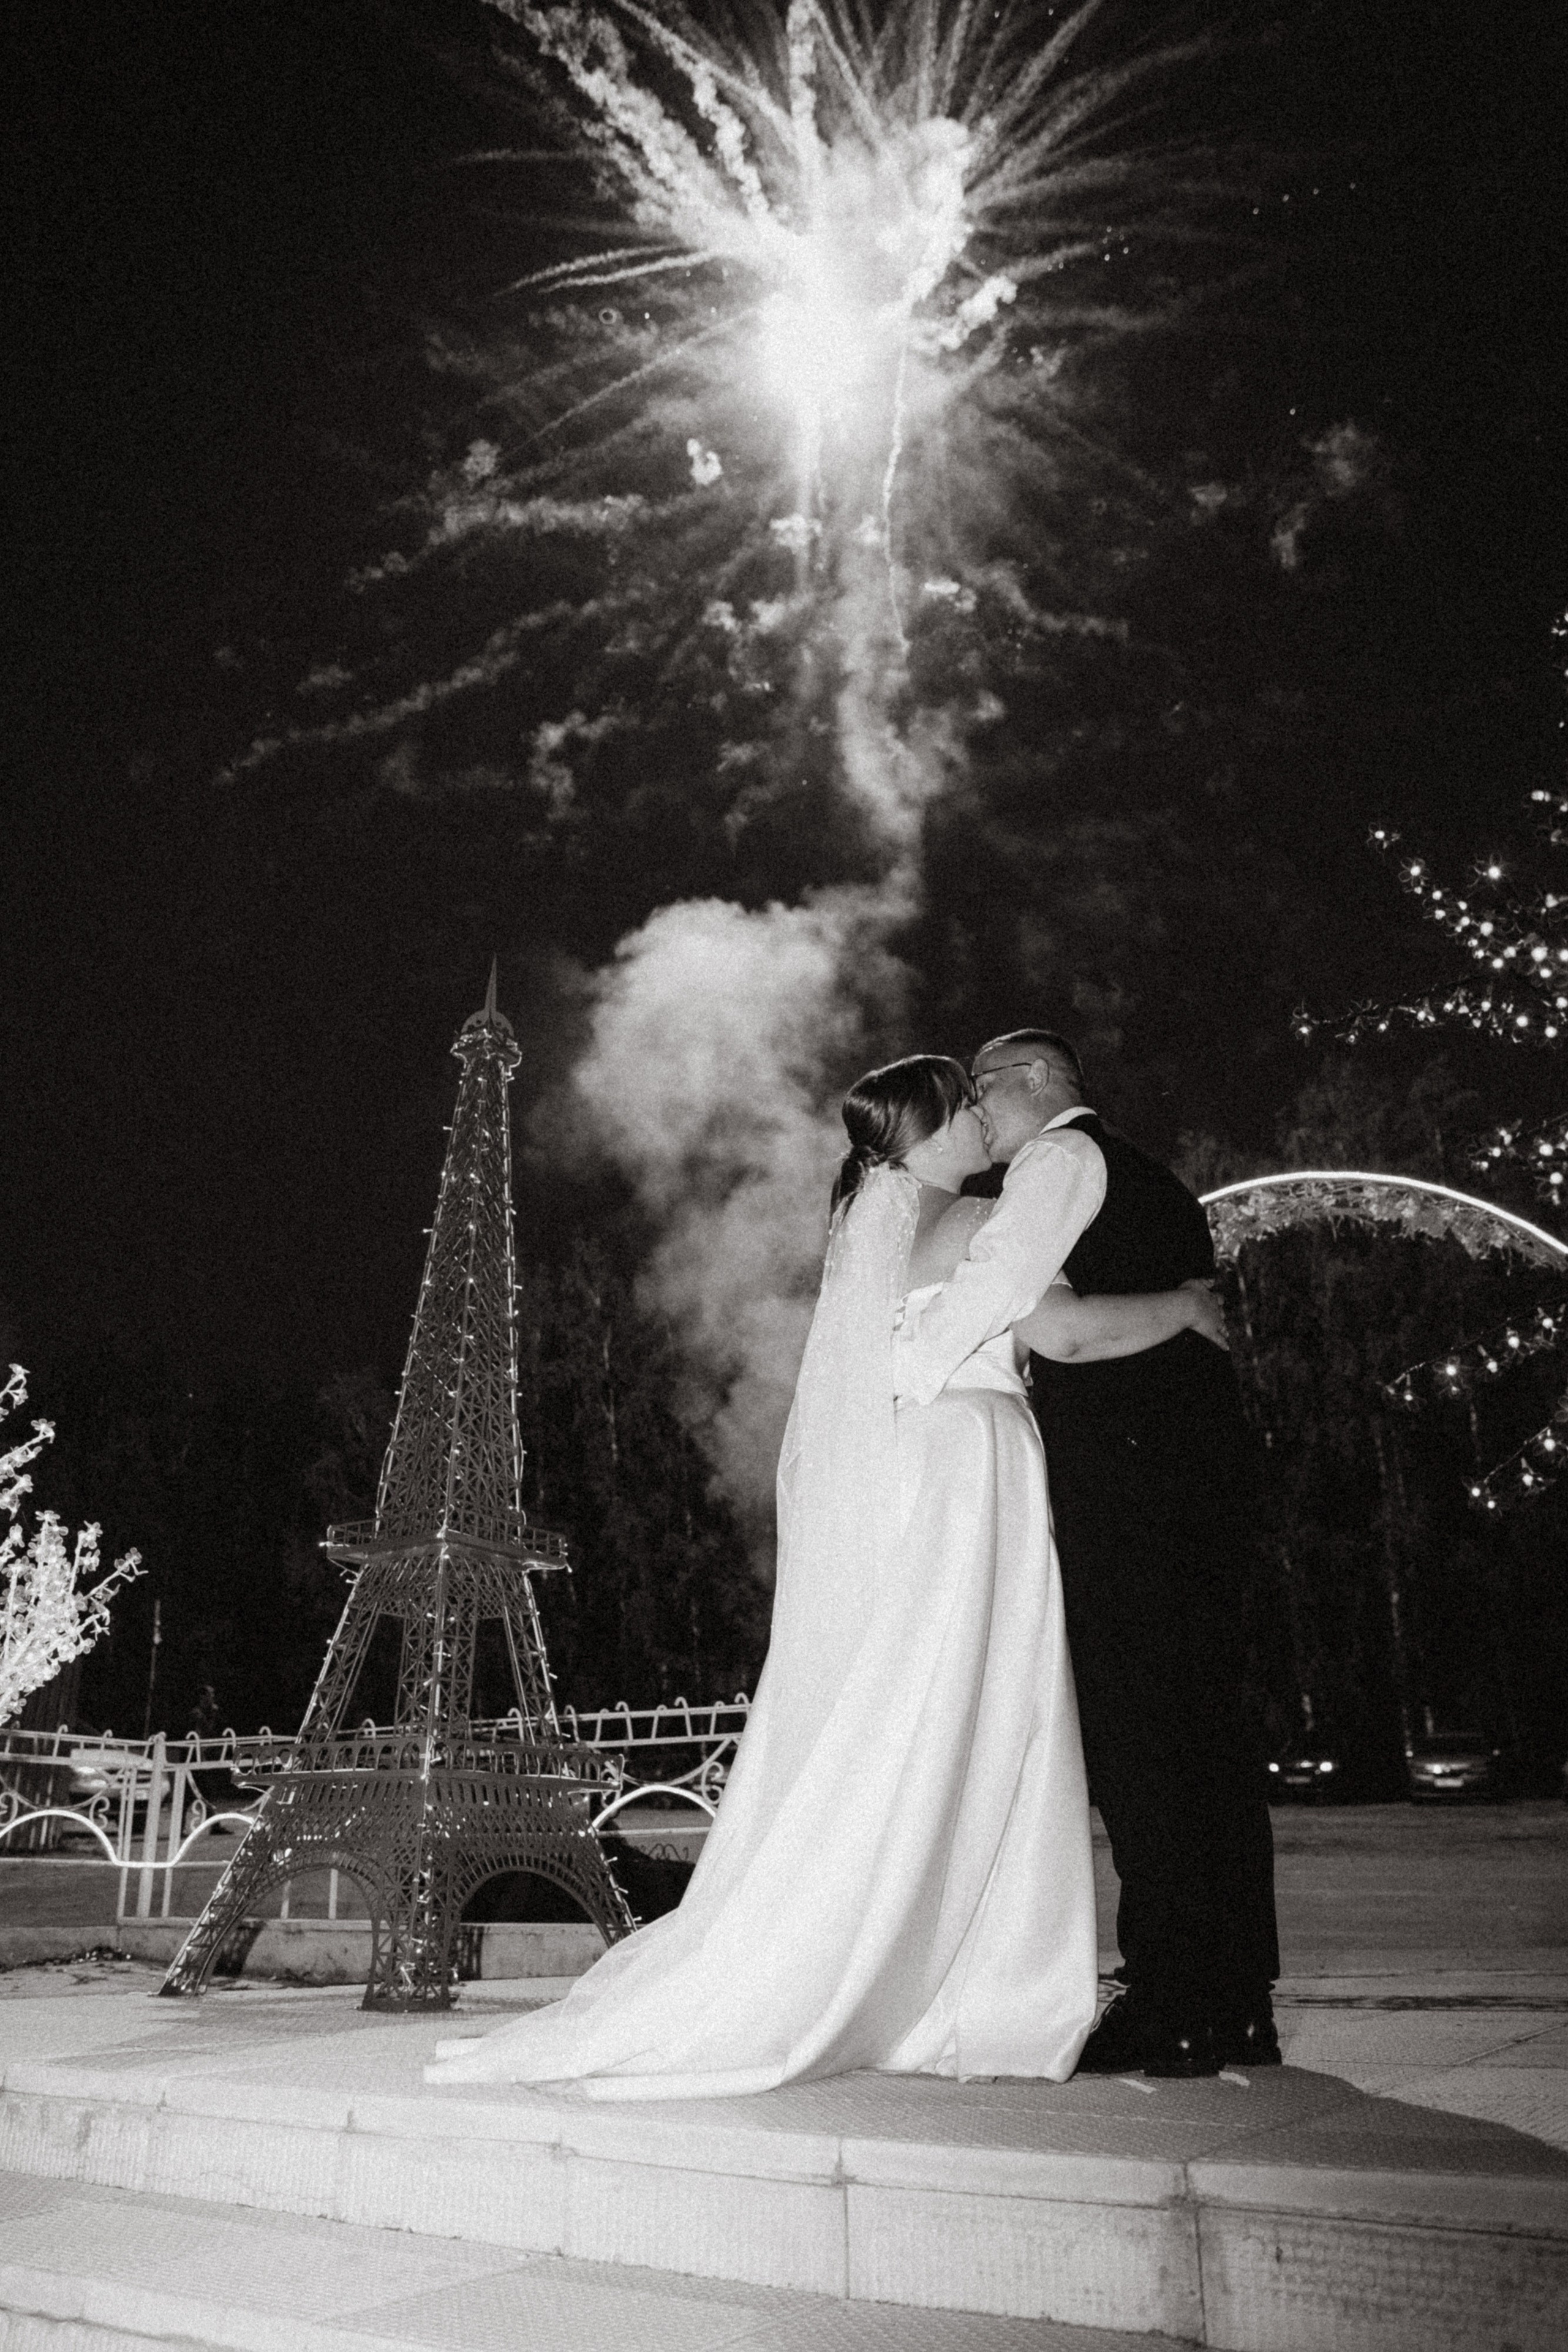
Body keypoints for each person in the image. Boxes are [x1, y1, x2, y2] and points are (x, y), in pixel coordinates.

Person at [426, 1055, 1222, 2098]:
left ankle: (889, 1947)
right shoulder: (974, 1221)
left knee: (914, 1718)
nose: (984, 1117)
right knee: (977, 1721)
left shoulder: (877, 1233)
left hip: (920, 1475)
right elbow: (1067, 1332)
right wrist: (1188, 1306)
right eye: (967, 1105)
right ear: (933, 1133)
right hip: (973, 1472)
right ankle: (969, 1972)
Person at [895, 1030, 1280, 2078]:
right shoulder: (1160, 1183)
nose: (979, 1111)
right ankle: (1241, 1999)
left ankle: (1174, 2002)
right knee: (1210, 1741)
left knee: (1141, 1741)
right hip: (1199, 1484)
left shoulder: (1058, 1162)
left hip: (1128, 1488)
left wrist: (908, 1367)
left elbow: (1042, 1320)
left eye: (984, 1088)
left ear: (1035, 1085)